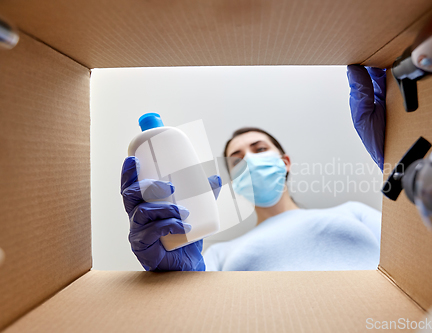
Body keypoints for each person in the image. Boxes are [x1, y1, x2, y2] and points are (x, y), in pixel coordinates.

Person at [120, 65, 387, 272]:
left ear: (285, 163)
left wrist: (393, 163)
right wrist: (176, 277)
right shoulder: (217, 255)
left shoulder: (354, 213)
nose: (248, 160)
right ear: (234, 180)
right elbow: (193, 314)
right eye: (237, 159)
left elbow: (417, 251)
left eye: (259, 149)